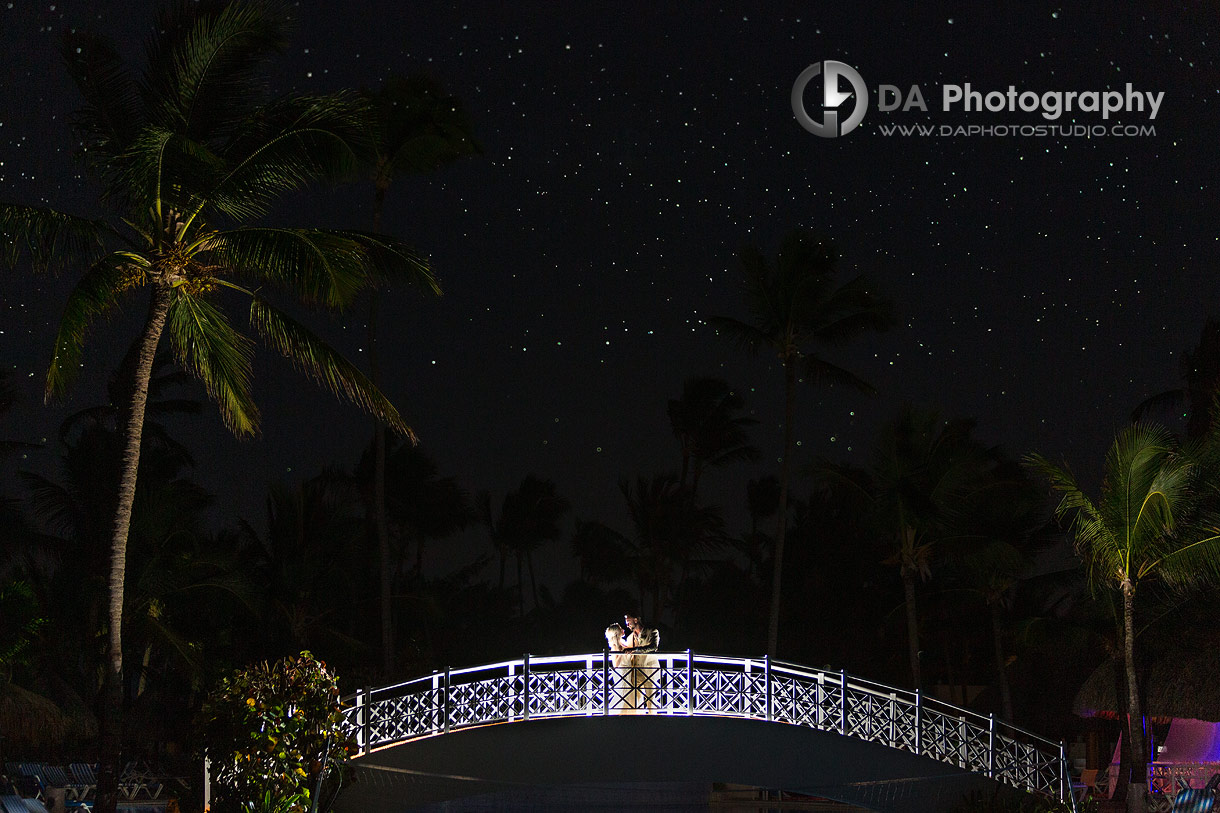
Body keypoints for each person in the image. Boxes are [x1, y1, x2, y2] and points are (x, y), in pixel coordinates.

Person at [620, 613, 660, 711]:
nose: (627, 625)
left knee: (651, 700)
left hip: (649, 670)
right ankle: (639, 720)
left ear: (636, 620)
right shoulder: (630, 638)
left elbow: (653, 647)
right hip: (636, 672)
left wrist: (636, 649)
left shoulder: (652, 631)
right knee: (636, 701)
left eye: (628, 622)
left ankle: (653, 720)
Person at [604, 622, 634, 712]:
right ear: (617, 632)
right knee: (622, 692)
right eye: (620, 629)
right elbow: (615, 664)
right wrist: (622, 653)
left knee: (628, 692)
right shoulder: (615, 646)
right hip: (622, 672)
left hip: (628, 670)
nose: (623, 629)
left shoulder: (624, 643)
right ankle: (617, 711)